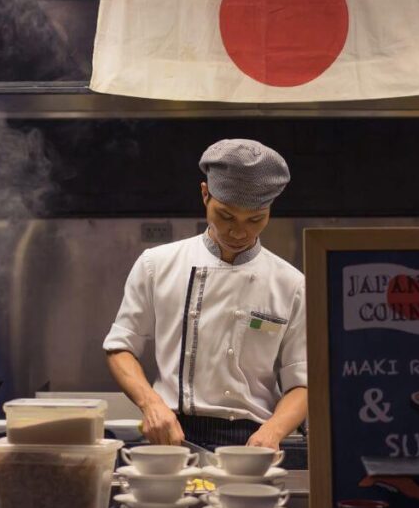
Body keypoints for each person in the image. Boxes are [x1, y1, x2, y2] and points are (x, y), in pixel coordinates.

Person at [103, 139, 307, 451]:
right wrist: (151, 405)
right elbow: (120, 348)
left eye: (255, 220)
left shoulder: (291, 284)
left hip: (253, 441)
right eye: (226, 216)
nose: (239, 232)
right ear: (204, 194)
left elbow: (303, 380)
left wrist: (274, 432)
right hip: (171, 435)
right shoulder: (156, 265)